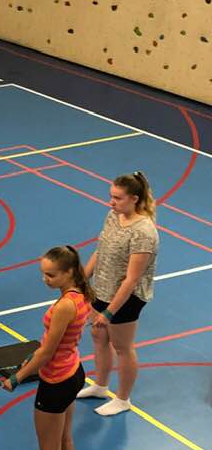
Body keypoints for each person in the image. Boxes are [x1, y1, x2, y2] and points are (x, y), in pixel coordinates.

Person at [0, 246, 93, 450]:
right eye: (43, 274)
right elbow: (55, 344)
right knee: (64, 441)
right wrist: (34, 356)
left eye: (51, 275)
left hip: (56, 382)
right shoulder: (80, 295)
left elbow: (47, 352)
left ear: (69, 272)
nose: (45, 280)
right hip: (73, 371)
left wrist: (17, 377)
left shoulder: (64, 305)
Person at [76, 171, 159, 417]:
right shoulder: (113, 215)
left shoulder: (144, 232)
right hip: (102, 287)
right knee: (99, 337)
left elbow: (132, 279)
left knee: (122, 347)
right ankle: (101, 386)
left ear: (134, 199)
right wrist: (82, 282)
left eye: (117, 198)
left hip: (127, 297)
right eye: (111, 196)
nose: (111, 202)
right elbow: (100, 250)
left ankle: (123, 399)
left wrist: (110, 312)